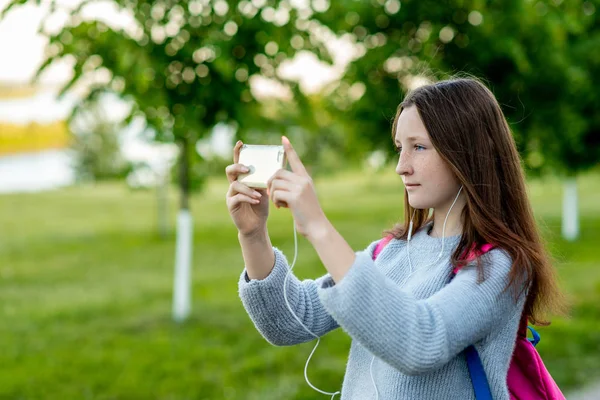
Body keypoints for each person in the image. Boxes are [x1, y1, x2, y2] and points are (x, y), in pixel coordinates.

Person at [225, 78, 565, 399]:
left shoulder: (499, 267)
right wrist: (253, 235)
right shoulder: (390, 252)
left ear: (467, 152)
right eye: (400, 147)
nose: (401, 166)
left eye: (419, 147)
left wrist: (318, 226)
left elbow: (421, 342)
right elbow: (288, 321)